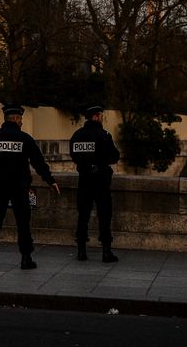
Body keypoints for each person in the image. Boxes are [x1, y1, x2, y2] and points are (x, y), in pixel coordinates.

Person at [0, 104, 59, 270]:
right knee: (23, 222)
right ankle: (26, 258)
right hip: (20, 186)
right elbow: (38, 163)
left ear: (5, 118)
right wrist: (50, 180)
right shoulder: (25, 138)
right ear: (17, 119)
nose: (22, 123)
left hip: (0, 184)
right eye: (21, 120)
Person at [69, 104, 120, 262]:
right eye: (101, 116)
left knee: (83, 215)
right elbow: (114, 156)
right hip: (100, 180)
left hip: (84, 179)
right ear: (97, 117)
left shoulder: (77, 135)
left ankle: (81, 251)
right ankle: (106, 251)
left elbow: (74, 156)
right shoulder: (103, 135)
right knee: (104, 215)